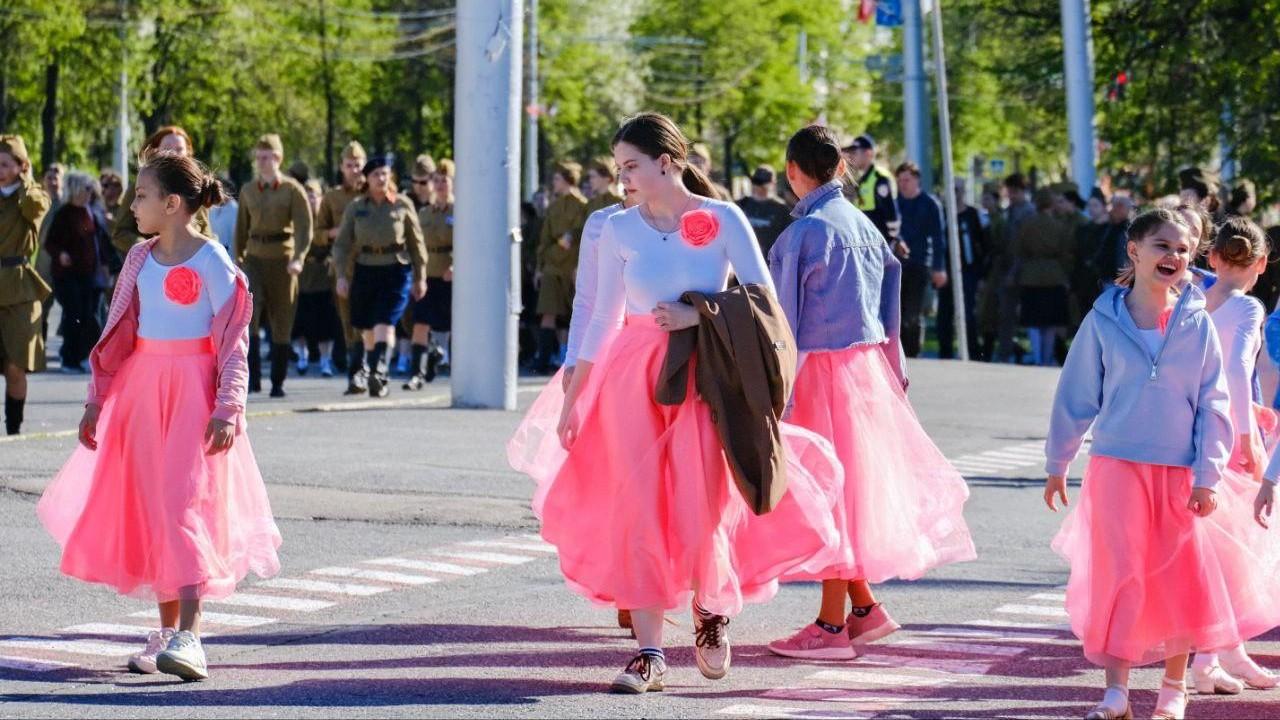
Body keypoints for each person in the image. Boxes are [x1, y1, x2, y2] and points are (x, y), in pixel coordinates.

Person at [507, 112, 842, 694]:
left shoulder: (722, 218)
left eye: (631, 166)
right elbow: (603, 318)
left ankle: (710, 614)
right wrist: (574, 397)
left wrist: (700, 314)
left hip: (706, 377)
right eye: (619, 168)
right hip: (632, 380)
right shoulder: (617, 229)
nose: (623, 179)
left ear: (667, 162)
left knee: (702, 502)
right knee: (637, 506)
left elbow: (765, 302)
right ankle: (649, 652)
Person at [36, 150, 281, 681]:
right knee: (154, 509)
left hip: (194, 396)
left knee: (180, 503)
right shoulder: (139, 261)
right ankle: (167, 632)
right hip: (143, 394)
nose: (133, 205)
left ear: (173, 204)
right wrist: (96, 401)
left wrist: (228, 405)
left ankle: (192, 636)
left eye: (142, 196)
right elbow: (116, 334)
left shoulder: (213, 260)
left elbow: (234, 341)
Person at [763, 125, 974, 661]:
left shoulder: (800, 237)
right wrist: (892, 373)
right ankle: (862, 608)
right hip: (866, 372)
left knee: (828, 493)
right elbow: (891, 315)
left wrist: (769, 385)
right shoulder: (866, 226)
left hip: (815, 370)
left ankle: (831, 626)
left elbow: (782, 323)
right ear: (841, 168)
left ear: (793, 171)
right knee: (854, 487)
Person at [1043, 208, 1256, 720]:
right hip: (1116, 466)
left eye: (1183, 249)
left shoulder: (1197, 320)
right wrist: (1058, 461)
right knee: (1120, 575)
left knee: (1177, 578)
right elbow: (1076, 396)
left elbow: (1215, 402)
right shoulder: (1102, 319)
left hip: (1181, 473)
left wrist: (1208, 475)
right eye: (1163, 246)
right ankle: (1116, 692)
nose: (1175, 257)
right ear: (1134, 251)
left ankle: (1173, 690)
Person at [1191, 216, 1280, 694]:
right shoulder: (1247, 308)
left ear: (1213, 257)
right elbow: (1236, 366)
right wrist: (1247, 439)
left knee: (1216, 549)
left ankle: (1228, 650)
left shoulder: (1192, 299)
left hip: (1193, 433)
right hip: (1228, 439)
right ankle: (1208, 658)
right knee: (1233, 551)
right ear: (1261, 264)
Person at [332, 154, 428, 398]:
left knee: (384, 320)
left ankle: (379, 371)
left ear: (391, 176)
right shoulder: (356, 207)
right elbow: (342, 244)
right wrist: (342, 275)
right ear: (367, 178)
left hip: (395, 268)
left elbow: (416, 243)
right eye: (375, 174)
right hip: (365, 267)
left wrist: (420, 276)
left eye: (385, 173)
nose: (381, 178)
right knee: (367, 325)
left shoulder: (402, 204)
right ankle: (374, 368)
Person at [233, 133, 312, 398]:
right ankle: (253, 379)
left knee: (282, 318)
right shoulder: (248, 190)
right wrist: (238, 259)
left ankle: (278, 381)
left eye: (266, 157)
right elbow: (241, 228)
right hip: (255, 257)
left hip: (283, 259)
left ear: (278, 158)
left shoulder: (292, 190)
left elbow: (304, 228)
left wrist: (299, 257)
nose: (261, 162)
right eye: (258, 157)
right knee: (250, 317)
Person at [0, 135, 51, 435]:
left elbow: (34, 209)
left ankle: (13, 431)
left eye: (6, 164)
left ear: (21, 166)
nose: (0, 170)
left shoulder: (34, 195)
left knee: (15, 367)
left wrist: (26, 182)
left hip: (19, 288)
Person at [318, 142, 369, 395]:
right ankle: (355, 370)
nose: (354, 170)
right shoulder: (332, 197)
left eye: (358, 165)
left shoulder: (374, 194)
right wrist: (333, 233)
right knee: (349, 321)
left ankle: (369, 366)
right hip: (342, 267)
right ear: (341, 167)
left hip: (372, 264)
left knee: (371, 320)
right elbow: (317, 234)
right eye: (349, 165)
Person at [111, 126, 212, 254]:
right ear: (156, 152)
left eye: (180, 149)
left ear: (188, 153)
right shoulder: (141, 187)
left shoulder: (196, 189)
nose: (174, 154)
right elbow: (120, 232)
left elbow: (206, 233)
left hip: (191, 266)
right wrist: (149, 249)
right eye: (167, 149)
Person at [530, 161, 588, 374]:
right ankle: (543, 359)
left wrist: (572, 236)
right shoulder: (553, 206)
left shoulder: (582, 205)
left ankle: (565, 356)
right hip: (552, 266)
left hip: (572, 264)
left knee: (570, 315)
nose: (554, 182)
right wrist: (539, 267)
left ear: (566, 179)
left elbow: (584, 232)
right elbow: (544, 239)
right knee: (548, 311)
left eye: (557, 178)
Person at [44, 171, 104, 373]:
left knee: (89, 317)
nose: (90, 193)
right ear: (76, 189)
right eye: (86, 189)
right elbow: (50, 243)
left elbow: (98, 243)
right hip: (66, 276)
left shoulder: (90, 212)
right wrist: (60, 253)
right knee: (74, 315)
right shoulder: (64, 213)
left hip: (88, 275)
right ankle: (69, 358)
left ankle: (83, 356)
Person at [405, 159, 455, 389]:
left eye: (444, 180)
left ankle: (440, 356)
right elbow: (417, 243)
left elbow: (466, 242)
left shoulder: (459, 211)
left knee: (447, 324)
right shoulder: (425, 213)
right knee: (420, 322)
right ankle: (417, 372)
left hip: (451, 275)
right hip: (428, 273)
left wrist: (455, 264)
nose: (440, 184)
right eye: (436, 180)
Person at [1013, 188, 1073, 366]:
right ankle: (1046, 358)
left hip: (1030, 275)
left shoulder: (1027, 224)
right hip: (1054, 275)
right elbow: (1065, 253)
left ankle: (1037, 356)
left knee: (1033, 321)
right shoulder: (1059, 226)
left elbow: (1019, 249)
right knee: (1050, 322)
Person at [893, 161, 946, 357]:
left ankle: (913, 353)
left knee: (913, 315)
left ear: (916, 180)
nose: (903, 184)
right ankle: (898, 355)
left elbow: (938, 238)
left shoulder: (930, 204)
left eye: (906, 180)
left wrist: (938, 268)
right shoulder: (894, 203)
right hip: (896, 265)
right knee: (896, 313)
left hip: (920, 264)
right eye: (899, 180)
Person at [292, 179, 339, 378]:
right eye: (307, 194)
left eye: (314, 195)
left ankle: (325, 360)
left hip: (323, 274)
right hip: (301, 276)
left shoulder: (326, 218)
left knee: (325, 322)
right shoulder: (297, 218)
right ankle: (302, 356)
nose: (311, 199)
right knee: (299, 320)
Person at [937, 179, 986, 360]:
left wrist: (981, 275)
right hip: (947, 272)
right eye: (951, 189)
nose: (954, 193)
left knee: (968, 314)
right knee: (945, 314)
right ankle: (945, 353)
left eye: (957, 190)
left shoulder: (972, 215)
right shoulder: (943, 214)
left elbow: (983, 244)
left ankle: (973, 353)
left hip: (968, 271)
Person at [840, 134, 898, 244]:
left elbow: (891, 213)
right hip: (867, 240)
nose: (852, 156)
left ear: (868, 153)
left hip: (880, 242)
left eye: (855, 153)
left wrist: (891, 242)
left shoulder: (880, 178)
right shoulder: (862, 178)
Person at [736, 165, 791, 257]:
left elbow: (788, 239)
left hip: (770, 263)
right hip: (744, 259)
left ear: (773, 184)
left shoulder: (781, 209)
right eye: (757, 182)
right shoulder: (741, 204)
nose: (759, 187)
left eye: (763, 183)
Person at [208, 175, 238, 254]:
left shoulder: (235, 209)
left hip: (229, 254)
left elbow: (236, 236)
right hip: (213, 251)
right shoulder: (212, 207)